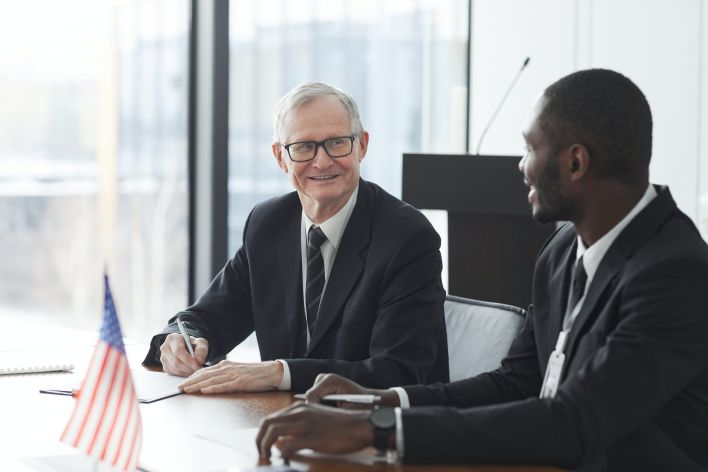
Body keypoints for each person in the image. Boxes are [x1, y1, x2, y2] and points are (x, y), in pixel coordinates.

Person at [256, 69, 708, 470]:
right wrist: (378, 400)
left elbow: (573, 421)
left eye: (530, 148)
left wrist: (380, 430)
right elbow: (518, 382)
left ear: (575, 162)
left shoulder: (676, 273)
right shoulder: (563, 248)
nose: (522, 167)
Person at [143, 82, 448, 394]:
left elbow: (397, 372)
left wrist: (279, 373)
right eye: (304, 147)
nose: (322, 161)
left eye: (337, 143)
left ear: (362, 146)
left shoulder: (407, 238)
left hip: (376, 431)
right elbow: (208, 317)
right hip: (281, 424)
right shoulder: (268, 223)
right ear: (280, 156)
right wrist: (181, 339)